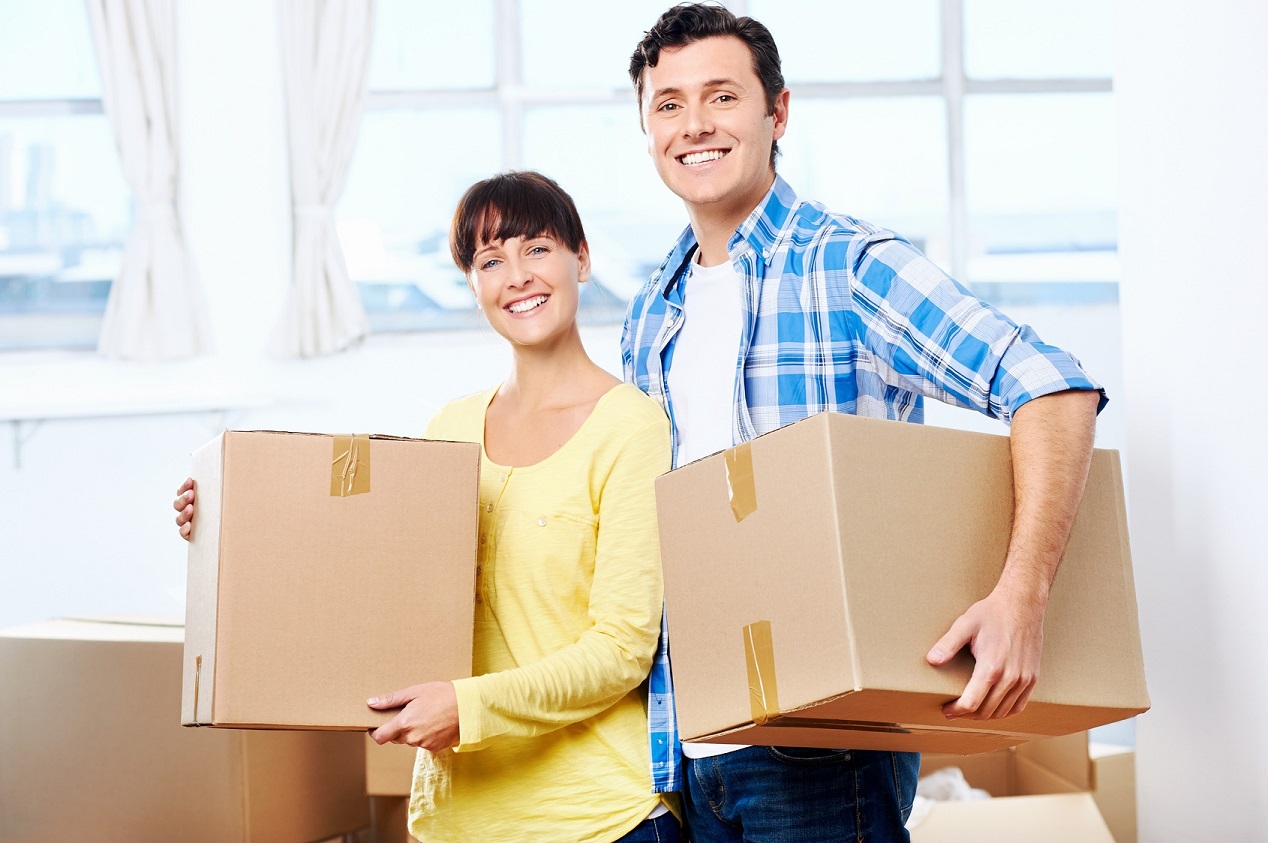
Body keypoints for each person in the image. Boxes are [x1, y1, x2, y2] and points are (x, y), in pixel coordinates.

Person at [622, 4, 1105, 841]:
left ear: (777, 113)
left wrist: (1020, 600)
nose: (694, 125)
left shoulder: (847, 265)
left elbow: (1051, 387)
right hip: (683, 750)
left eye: (721, 98)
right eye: (668, 104)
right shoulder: (649, 310)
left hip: (821, 745)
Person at [175, 171, 679, 843]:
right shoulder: (450, 428)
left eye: (538, 248)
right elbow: (367, 585)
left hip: (595, 819)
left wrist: (466, 707)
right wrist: (229, 526)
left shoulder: (631, 427)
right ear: (471, 284)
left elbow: (620, 650)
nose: (518, 275)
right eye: (490, 259)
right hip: (455, 819)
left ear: (581, 259)